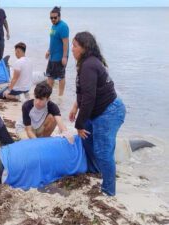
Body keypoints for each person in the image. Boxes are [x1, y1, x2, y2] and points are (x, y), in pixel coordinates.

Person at [69, 31, 126, 196]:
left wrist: (78, 124)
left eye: (75, 46)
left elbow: (89, 99)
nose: (71, 49)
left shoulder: (89, 65)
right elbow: (84, 92)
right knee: (86, 137)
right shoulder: (85, 63)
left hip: (109, 113)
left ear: (84, 48)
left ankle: (108, 191)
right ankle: (96, 169)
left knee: (103, 151)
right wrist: (74, 107)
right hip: (100, 111)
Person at [45, 7, 69, 96]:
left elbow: (65, 43)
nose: (53, 19)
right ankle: (48, 95)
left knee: (61, 77)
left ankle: (60, 96)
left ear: (59, 16)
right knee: (50, 76)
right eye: (51, 18)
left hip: (60, 57)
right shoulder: (53, 25)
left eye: (55, 17)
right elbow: (53, 40)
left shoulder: (63, 26)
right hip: (52, 56)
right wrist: (48, 50)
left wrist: (64, 56)